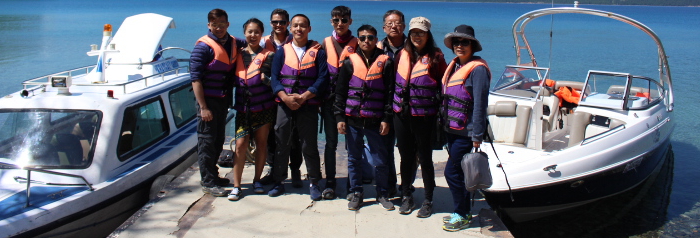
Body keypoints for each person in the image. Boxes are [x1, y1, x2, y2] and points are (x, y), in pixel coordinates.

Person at [268, 14, 329, 201]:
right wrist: (285, 97)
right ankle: (278, 181)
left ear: (309, 29)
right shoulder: (282, 51)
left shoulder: (318, 51)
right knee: (281, 142)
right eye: (295, 26)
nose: (299, 29)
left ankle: (314, 182)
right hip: (284, 104)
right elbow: (275, 78)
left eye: (303, 26)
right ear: (290, 28)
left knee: (309, 144)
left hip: (307, 104)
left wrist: (304, 96)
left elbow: (322, 78)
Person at [335, 24, 395, 211]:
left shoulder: (386, 62)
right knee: (353, 158)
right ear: (358, 41)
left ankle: (383, 193)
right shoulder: (348, 63)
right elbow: (340, 93)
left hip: (376, 120)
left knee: (381, 159)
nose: (366, 41)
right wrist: (339, 118)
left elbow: (390, 94)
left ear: (376, 40)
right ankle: (356, 192)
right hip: (352, 120)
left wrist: (386, 118)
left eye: (370, 37)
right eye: (362, 38)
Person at [393, 16, 447, 217]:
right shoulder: (401, 56)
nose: (417, 36)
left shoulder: (436, 58)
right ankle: (406, 195)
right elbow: (392, 83)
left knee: (425, 157)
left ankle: (428, 198)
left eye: (421, 33)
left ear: (427, 35)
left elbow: (444, 85)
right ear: (409, 34)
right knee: (406, 157)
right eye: (414, 32)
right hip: (402, 114)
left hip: (425, 116)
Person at [190, 9, 247, 197]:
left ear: (228, 25)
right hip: (207, 101)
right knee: (206, 141)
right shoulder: (203, 48)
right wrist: (203, 107)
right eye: (215, 25)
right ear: (209, 26)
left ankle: (213, 175)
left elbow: (254, 42)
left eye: (222, 24)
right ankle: (207, 181)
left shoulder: (234, 42)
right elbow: (196, 79)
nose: (219, 28)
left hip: (223, 100)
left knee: (218, 139)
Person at [440, 25, 490, 231]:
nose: (460, 46)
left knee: (451, 173)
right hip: (452, 129)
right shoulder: (455, 67)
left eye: (465, 42)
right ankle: (462, 211)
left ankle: (462, 214)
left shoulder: (477, 70)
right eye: (456, 42)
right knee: (460, 173)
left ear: (472, 45)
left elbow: (480, 104)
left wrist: (477, 134)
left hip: (466, 132)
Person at [227, 18, 276, 201]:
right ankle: (237, 186)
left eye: (257, 32)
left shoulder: (270, 56)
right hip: (242, 108)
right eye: (249, 31)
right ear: (244, 33)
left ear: (261, 34)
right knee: (240, 145)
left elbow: (275, 81)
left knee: (261, 144)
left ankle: (257, 180)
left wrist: (265, 79)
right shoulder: (237, 55)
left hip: (263, 108)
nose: (253, 35)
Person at [258, 8, 305, 190]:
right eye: (275, 22)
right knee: (272, 136)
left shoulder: (296, 41)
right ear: (271, 23)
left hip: (290, 97)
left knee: (295, 136)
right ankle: (274, 170)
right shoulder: (263, 42)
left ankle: (295, 171)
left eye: (282, 22)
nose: (279, 25)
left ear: (288, 24)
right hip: (266, 96)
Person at [320, 5, 357, 200]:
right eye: (336, 20)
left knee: (352, 144)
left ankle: (353, 183)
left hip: (352, 102)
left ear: (350, 21)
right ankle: (330, 182)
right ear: (331, 21)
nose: (340, 23)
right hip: (329, 102)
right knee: (331, 143)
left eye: (344, 20)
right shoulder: (325, 44)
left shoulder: (358, 43)